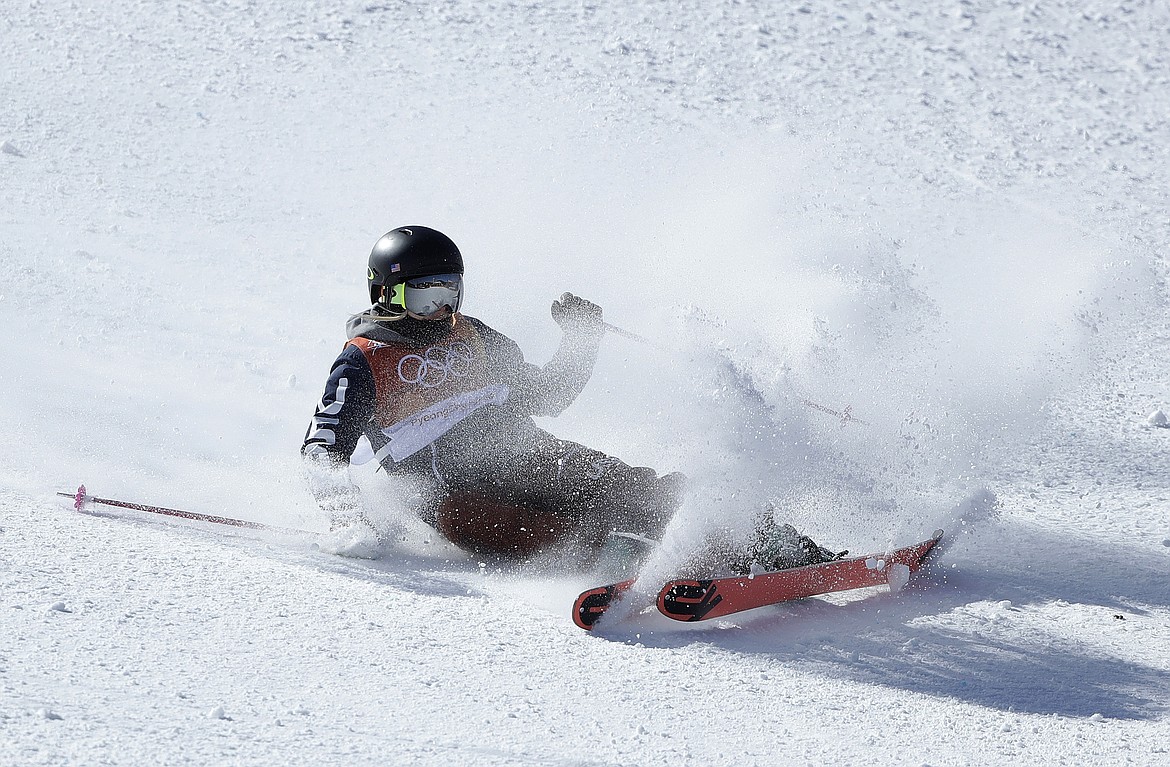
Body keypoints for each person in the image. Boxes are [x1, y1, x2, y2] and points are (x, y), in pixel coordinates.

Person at [303, 225, 838, 574]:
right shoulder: (366, 358)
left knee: (646, 492)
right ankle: (652, 565)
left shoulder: (475, 337)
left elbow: (549, 394)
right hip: (454, 493)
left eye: (450, 292)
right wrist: (348, 521)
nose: (441, 308)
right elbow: (322, 449)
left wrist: (581, 338)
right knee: (568, 538)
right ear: (386, 293)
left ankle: (785, 549)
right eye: (425, 295)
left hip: (532, 457)